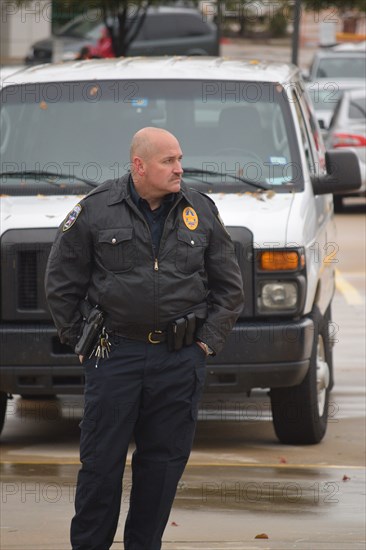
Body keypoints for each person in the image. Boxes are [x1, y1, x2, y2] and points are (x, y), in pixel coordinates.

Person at [45, 127, 244, 550]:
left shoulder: (200, 209)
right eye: (168, 161)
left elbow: (229, 288)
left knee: (162, 467)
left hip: (178, 359)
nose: (179, 168)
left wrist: (206, 343)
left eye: (179, 159)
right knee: (101, 466)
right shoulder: (96, 210)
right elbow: (61, 282)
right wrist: (81, 341)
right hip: (115, 354)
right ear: (139, 166)